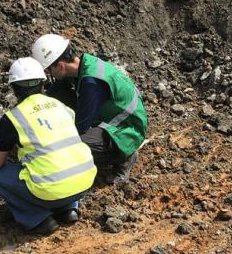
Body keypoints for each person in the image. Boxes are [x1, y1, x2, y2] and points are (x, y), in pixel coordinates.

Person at [0, 57, 97, 235]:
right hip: (85, 183)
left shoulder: (14, 118)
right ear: (43, 83)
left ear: (14, 88)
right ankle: (68, 210)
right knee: (60, 160)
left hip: (52, 191)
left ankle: (38, 219)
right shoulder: (61, 106)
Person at [31, 34, 148, 184]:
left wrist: (49, 137)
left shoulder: (92, 83)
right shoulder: (82, 66)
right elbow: (54, 92)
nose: (49, 75)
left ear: (60, 66)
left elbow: (80, 127)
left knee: (68, 145)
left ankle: (124, 156)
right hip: (111, 116)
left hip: (127, 131)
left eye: (49, 70)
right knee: (60, 94)